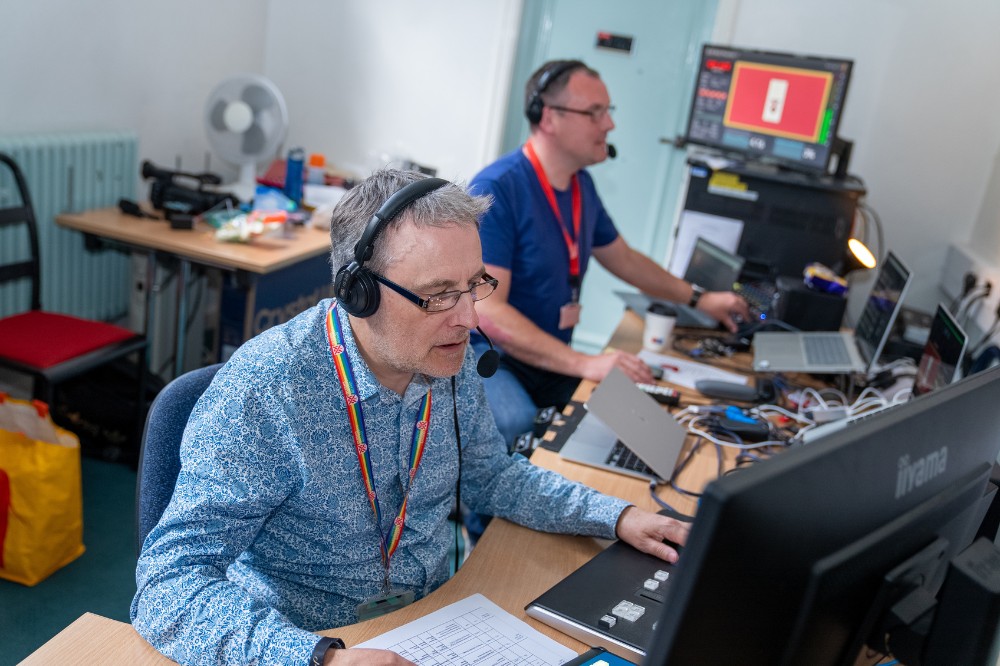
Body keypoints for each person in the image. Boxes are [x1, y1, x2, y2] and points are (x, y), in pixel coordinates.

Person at [131, 169, 690, 665]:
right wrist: (320, 659)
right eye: (439, 296)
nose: (470, 318)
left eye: (474, 286)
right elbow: (167, 585)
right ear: (360, 293)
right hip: (313, 639)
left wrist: (616, 518)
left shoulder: (448, 358)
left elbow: (493, 477)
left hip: (439, 622)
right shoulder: (265, 393)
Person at [469, 59, 750, 447]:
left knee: (630, 425)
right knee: (519, 423)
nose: (609, 124)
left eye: (607, 112)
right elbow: (488, 310)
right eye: (595, 113)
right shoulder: (498, 187)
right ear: (549, 118)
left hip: (545, 357)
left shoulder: (580, 185)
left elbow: (625, 259)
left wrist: (703, 300)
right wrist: (586, 363)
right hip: (492, 360)